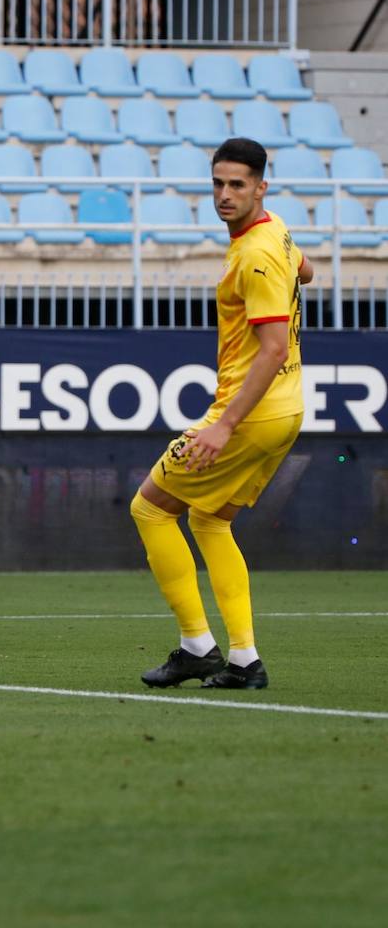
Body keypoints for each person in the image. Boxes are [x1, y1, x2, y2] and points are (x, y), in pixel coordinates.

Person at [132, 138, 313, 691]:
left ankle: (196, 647)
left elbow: (274, 348)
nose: (224, 194)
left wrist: (224, 424)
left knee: (151, 509)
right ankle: (243, 661)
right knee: (210, 520)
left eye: (238, 184)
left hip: (250, 413)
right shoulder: (274, 230)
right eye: (218, 183)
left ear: (261, 186)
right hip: (288, 409)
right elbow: (308, 272)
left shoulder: (255, 253)